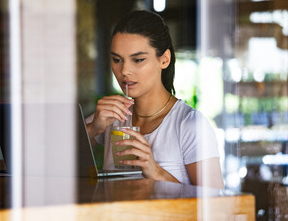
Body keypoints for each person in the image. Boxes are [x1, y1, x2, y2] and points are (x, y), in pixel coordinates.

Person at [85, 10, 224, 189]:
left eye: (138, 60)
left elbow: (217, 208)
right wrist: (93, 128)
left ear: (164, 60)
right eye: (117, 59)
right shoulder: (112, 116)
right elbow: (51, 155)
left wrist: (156, 172)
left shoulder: (189, 125)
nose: (125, 70)